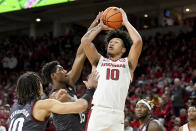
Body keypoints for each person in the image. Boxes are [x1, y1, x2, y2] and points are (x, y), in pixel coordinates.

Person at [81, 8, 142, 131]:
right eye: (110, 41)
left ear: (123, 49)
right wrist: (100, 27)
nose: (111, 43)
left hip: (117, 114)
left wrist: (125, 22)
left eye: (116, 42)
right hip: (99, 111)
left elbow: (138, 42)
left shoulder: (128, 64)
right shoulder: (99, 61)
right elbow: (85, 41)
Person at [41, 12, 103, 131]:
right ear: (53, 76)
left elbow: (81, 52)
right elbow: (83, 107)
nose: (65, 70)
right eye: (61, 69)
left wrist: (96, 24)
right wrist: (91, 88)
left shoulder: (68, 82)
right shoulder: (55, 96)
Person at [8, 71, 98, 131]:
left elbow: (31, 120)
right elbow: (81, 106)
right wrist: (91, 88)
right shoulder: (43, 105)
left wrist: (54, 101)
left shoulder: (14, 107)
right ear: (36, 86)